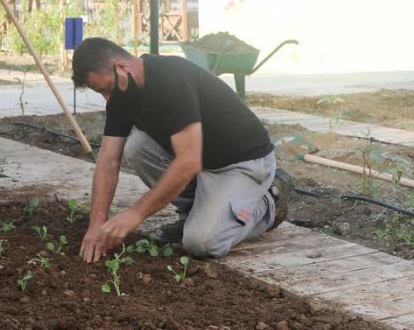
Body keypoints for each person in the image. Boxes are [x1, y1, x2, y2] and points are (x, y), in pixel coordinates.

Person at [72, 37, 294, 262]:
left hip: (242, 164)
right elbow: (108, 159)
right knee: (137, 147)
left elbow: (188, 162)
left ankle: (271, 201)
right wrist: (96, 223)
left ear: (121, 67)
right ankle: (192, 214)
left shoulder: (170, 78)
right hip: (203, 161)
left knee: (202, 243)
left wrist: (134, 215)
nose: (107, 98)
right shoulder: (121, 93)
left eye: (106, 88)